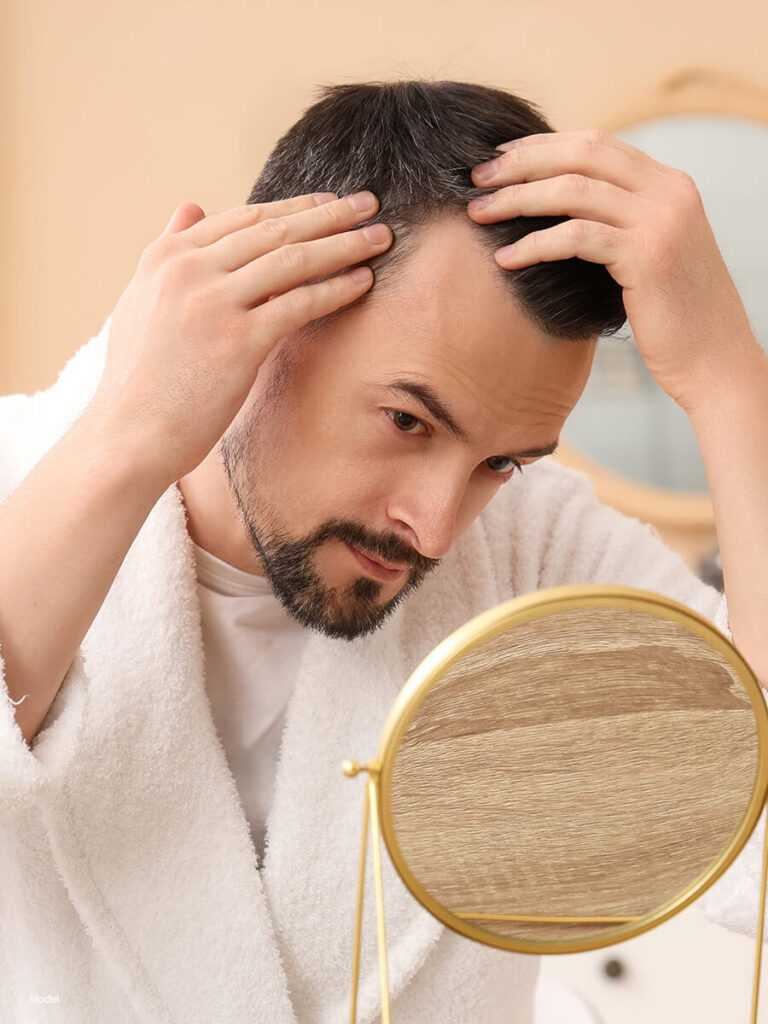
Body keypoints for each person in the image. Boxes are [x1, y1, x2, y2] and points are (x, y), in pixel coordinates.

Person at [0, 79, 765, 1023]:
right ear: (272, 312)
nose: (438, 527)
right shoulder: (21, 478)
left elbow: (755, 840)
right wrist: (127, 434)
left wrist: (732, 385)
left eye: (500, 464)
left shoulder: (536, 552)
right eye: (407, 420)